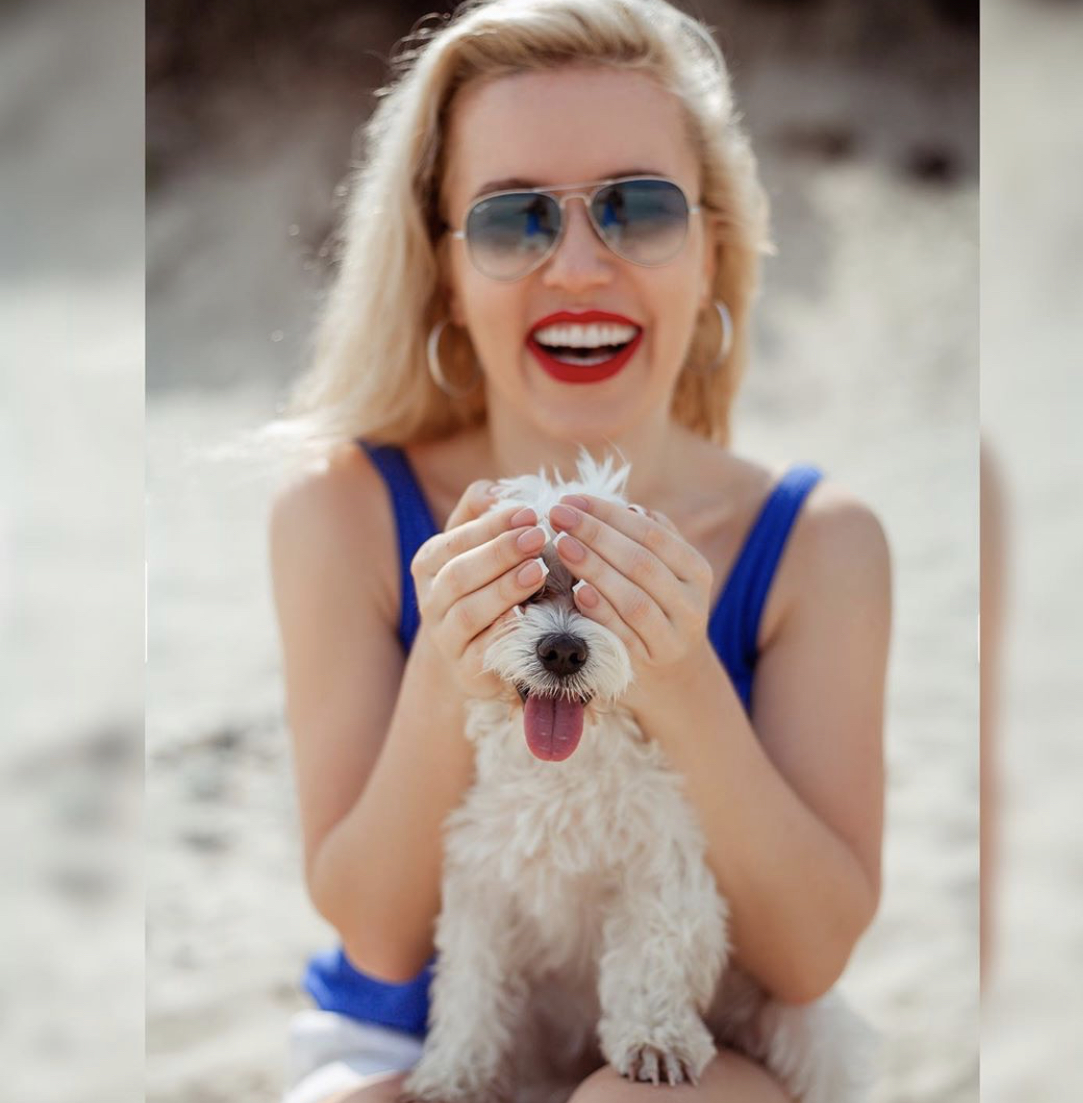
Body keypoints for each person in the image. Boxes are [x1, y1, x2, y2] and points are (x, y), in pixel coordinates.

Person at [267, 1, 892, 1100]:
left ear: (713, 248)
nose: (579, 267)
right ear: (445, 272)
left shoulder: (819, 543)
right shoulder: (344, 510)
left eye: (638, 208)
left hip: (695, 1048)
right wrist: (445, 664)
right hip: (410, 1039)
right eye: (514, 221)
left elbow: (809, 958)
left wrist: (682, 673)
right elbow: (378, 935)